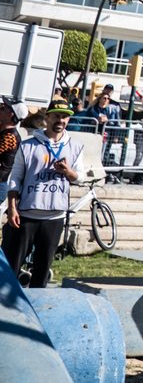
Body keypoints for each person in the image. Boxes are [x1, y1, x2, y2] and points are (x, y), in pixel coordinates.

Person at [4, 101, 84, 287]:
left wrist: (67, 171)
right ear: (47, 117)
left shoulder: (75, 146)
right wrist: (12, 208)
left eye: (64, 116)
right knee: (12, 267)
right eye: (56, 115)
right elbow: (15, 178)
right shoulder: (28, 145)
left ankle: (36, 309)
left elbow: (78, 178)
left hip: (55, 217)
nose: (60, 120)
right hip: (26, 215)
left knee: (42, 269)